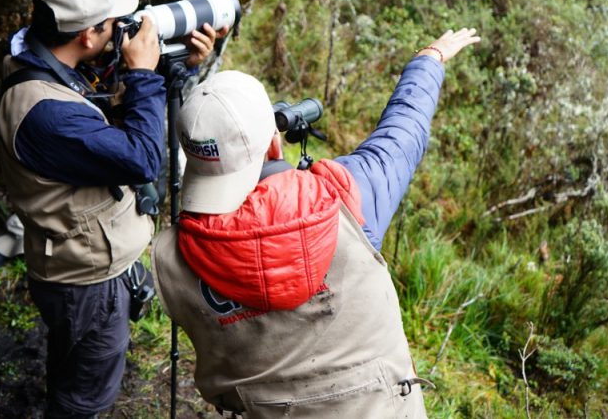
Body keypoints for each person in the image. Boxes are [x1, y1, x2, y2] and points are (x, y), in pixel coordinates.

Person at [151, 28, 480, 418]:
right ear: (275, 142)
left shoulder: (170, 258)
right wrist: (430, 59)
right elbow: (401, 136)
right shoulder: (342, 196)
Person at [0, 0, 220, 418]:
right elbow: (140, 158)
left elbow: (97, 121)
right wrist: (142, 74)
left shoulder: (37, 62)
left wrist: (176, 68)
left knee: (74, 370)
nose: (122, 29)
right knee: (85, 400)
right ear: (85, 36)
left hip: (72, 265)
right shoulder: (48, 113)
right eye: (112, 24)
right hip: (86, 282)